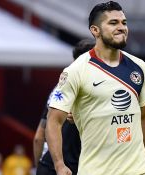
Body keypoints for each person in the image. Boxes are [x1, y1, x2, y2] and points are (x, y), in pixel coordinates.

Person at [45, 1, 145, 175]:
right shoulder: (75, 71)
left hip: (138, 169)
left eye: (124, 23)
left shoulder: (139, 66)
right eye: (113, 23)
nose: (121, 27)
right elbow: (53, 121)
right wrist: (59, 164)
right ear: (95, 30)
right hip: (96, 170)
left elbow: (144, 117)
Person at [33, 39, 95, 175]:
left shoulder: (58, 89)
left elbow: (39, 137)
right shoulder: (98, 90)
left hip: (49, 166)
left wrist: (39, 167)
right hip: (77, 168)